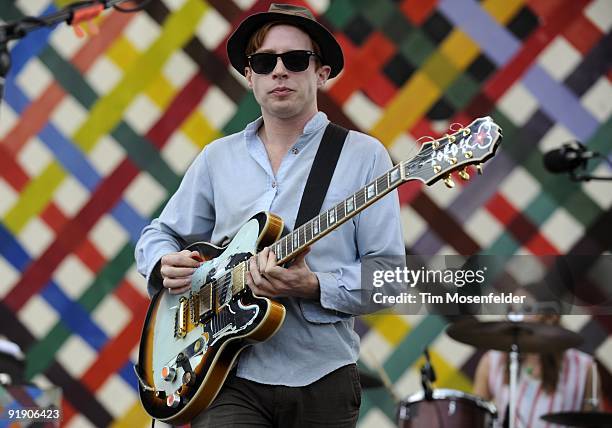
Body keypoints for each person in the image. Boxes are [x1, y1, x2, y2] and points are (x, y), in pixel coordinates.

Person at [135, 4, 404, 427]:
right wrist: (162, 261)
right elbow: (158, 234)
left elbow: (388, 277)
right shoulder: (216, 158)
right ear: (250, 76)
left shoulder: (364, 157)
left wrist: (313, 284)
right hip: (226, 375)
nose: (279, 71)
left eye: (295, 60)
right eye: (264, 62)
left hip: (323, 375)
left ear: (321, 72)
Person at [473, 313, 602, 428]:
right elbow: (474, 416)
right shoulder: (492, 360)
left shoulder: (584, 368)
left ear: (551, 318)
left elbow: (593, 422)